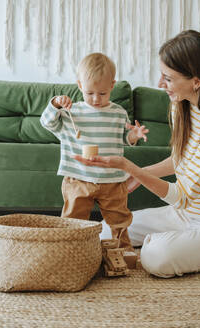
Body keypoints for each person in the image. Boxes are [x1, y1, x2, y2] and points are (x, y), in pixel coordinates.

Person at [75, 30, 200, 278]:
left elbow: (183, 195)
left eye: (168, 78)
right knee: (104, 232)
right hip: (182, 215)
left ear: (196, 81)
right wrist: (142, 174)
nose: (160, 84)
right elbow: (181, 161)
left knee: (155, 257)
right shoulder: (180, 105)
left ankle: (171, 244)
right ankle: (179, 241)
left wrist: (132, 168)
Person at [40, 52, 149, 251]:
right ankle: (69, 253)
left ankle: (124, 253)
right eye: (90, 93)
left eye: (102, 93)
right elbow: (47, 122)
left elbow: (123, 139)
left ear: (111, 86)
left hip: (112, 181)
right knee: (73, 221)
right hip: (78, 179)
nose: (96, 99)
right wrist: (56, 103)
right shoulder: (72, 112)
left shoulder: (118, 113)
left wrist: (135, 135)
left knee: (120, 221)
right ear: (80, 85)